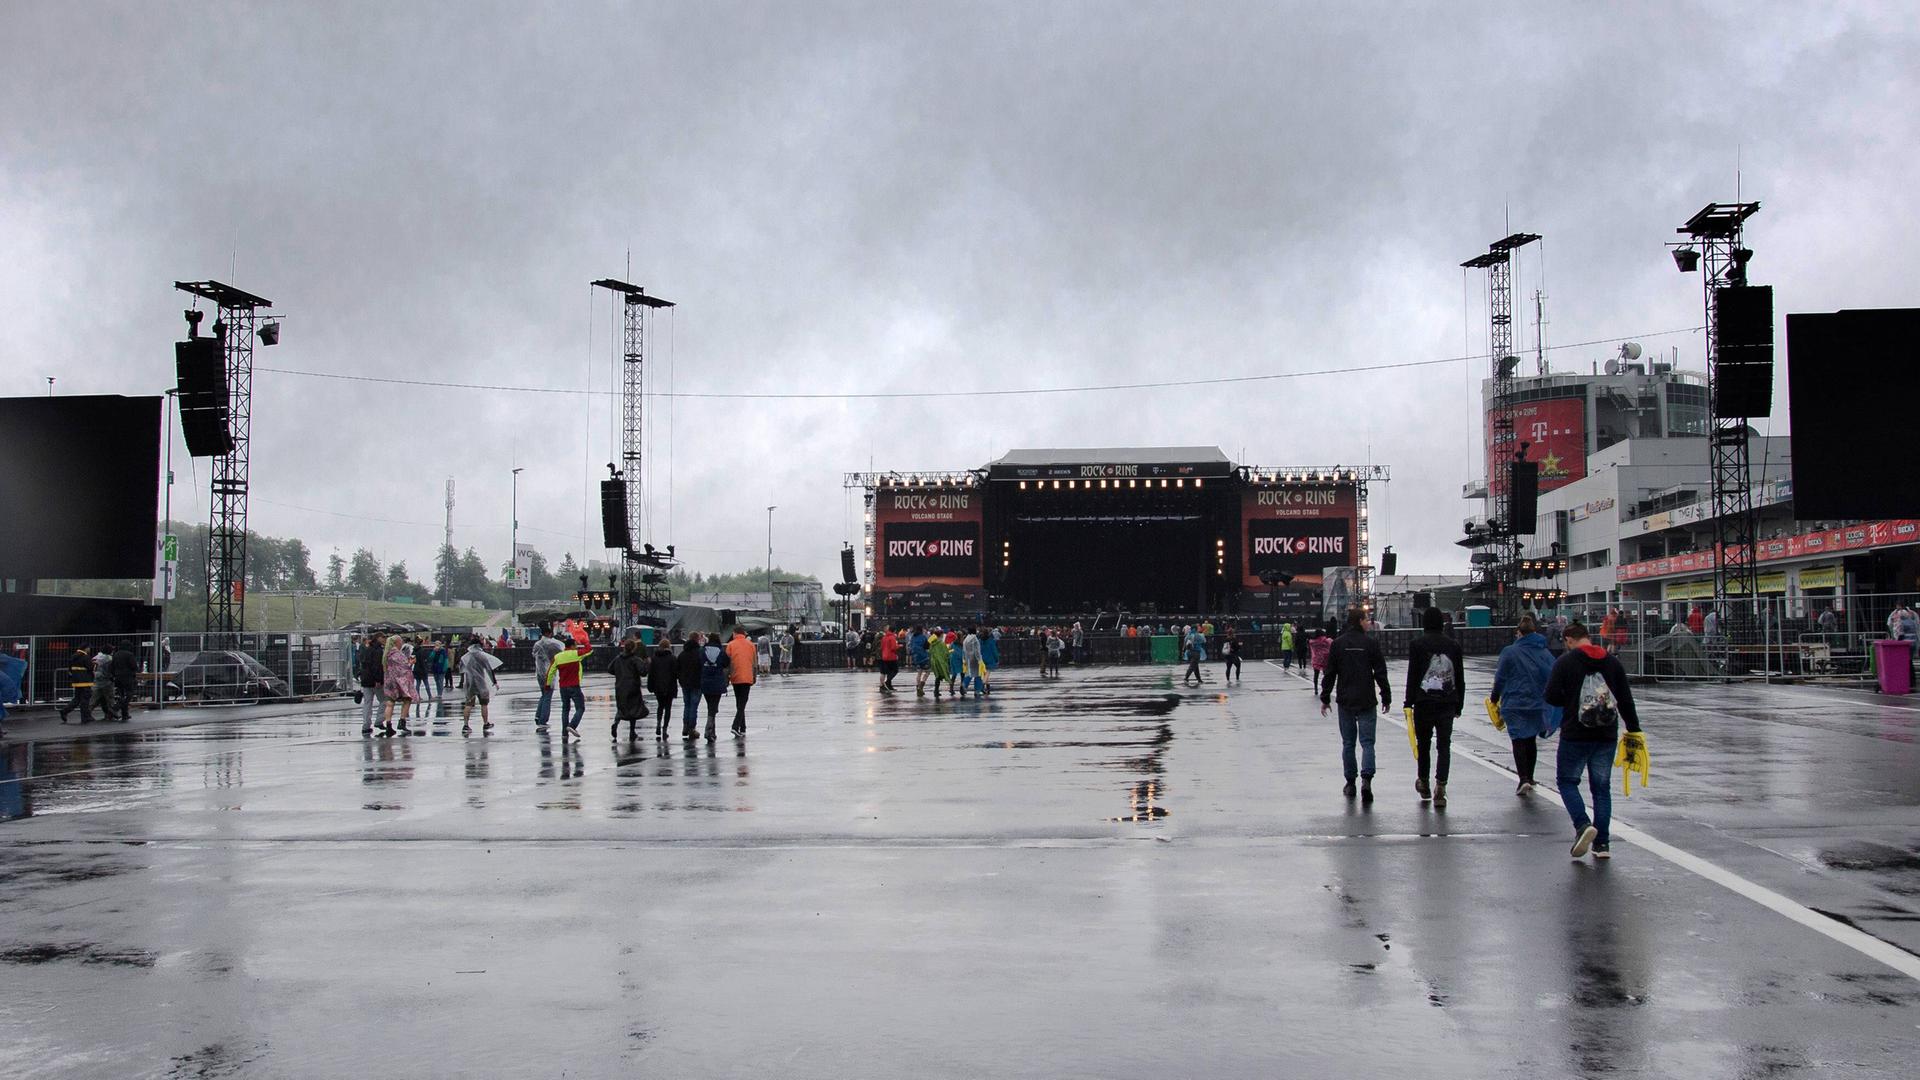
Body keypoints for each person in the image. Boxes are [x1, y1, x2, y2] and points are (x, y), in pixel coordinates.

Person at [1543, 621, 1642, 860]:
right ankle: (1602, 844)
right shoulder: (1611, 662)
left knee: (1567, 781)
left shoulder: (1564, 663)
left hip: (1575, 734)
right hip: (1606, 734)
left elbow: (1552, 696)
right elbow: (1625, 700)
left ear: (1568, 640)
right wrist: (1634, 730)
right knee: (1601, 788)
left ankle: (1582, 824)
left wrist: (1570, 700)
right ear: (1589, 636)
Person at [1319, 609, 1390, 802]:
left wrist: (1325, 697)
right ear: (1359, 621)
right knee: (1368, 742)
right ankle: (1367, 780)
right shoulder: (1371, 643)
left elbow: (1330, 672)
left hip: (1345, 699)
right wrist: (1386, 696)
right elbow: (1380, 672)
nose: (1368, 622)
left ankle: (1350, 783)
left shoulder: (1338, 644)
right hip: (1366, 698)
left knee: (1348, 743)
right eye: (1366, 619)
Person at [1489, 615, 1560, 795]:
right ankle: (1530, 775)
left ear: (1519, 633)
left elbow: (1500, 677)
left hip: (1514, 702)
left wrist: (1494, 697)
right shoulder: (1543, 652)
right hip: (1537, 702)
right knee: (1530, 739)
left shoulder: (1509, 652)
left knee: (1518, 739)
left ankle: (1523, 779)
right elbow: (1553, 675)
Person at [1404, 607, 1465, 806]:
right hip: (1448, 700)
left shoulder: (1417, 644)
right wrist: (1459, 704)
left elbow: (1413, 675)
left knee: (1424, 744)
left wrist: (1408, 702)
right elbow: (1459, 676)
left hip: (1424, 701)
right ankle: (1441, 784)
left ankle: (1424, 780)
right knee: (1444, 745)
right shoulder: (1453, 645)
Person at [547, 634, 593, 740]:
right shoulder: (576, 654)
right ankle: (572, 726)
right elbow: (589, 650)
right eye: (576, 645)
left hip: (563, 687)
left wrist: (548, 684)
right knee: (580, 708)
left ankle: (564, 733)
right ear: (572, 646)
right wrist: (585, 641)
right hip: (574, 686)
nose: (577, 647)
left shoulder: (557, 657)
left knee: (565, 709)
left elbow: (550, 671)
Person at [606, 638, 648, 740]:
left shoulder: (618, 658)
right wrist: (647, 663)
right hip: (633, 687)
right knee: (633, 710)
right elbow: (643, 672)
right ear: (633, 648)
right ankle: (632, 732)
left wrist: (618, 673)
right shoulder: (635, 659)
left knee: (621, 707)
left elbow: (610, 669)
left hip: (620, 687)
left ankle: (616, 722)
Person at [378, 636, 415, 736]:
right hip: (399, 681)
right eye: (401, 641)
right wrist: (411, 662)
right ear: (397, 642)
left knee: (390, 703)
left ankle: (388, 725)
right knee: (407, 699)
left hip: (389, 680)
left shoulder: (386, 654)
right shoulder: (398, 654)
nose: (402, 643)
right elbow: (405, 667)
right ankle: (402, 721)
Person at [458, 640, 498, 734]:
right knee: (484, 703)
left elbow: (461, 670)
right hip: (481, 682)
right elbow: (489, 669)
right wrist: (494, 682)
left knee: (468, 704)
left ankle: (466, 725)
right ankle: (485, 723)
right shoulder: (482, 656)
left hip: (470, 683)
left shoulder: (465, 657)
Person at [726, 628, 756, 737]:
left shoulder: (730, 645)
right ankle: (736, 726)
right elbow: (754, 662)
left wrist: (727, 677)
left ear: (735, 633)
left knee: (739, 703)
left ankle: (742, 727)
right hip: (747, 676)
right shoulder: (751, 645)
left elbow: (727, 662)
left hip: (735, 676)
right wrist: (754, 676)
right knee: (742, 703)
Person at [530, 627, 563, 728]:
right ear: (549, 633)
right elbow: (561, 650)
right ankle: (543, 720)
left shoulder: (537, 644)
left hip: (539, 673)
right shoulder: (552, 644)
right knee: (548, 696)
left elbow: (533, 654)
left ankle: (538, 716)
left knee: (544, 695)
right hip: (548, 672)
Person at [677, 631, 707, 740]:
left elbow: (678, 668)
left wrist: (680, 679)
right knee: (694, 706)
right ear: (697, 639)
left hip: (685, 683)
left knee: (687, 705)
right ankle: (691, 728)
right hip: (696, 682)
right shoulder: (700, 653)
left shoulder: (682, 654)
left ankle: (685, 726)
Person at [647, 642, 679, 738]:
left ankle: (658, 723)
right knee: (668, 708)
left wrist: (650, 686)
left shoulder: (655, 658)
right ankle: (664, 729)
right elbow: (676, 673)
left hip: (658, 686)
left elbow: (651, 674)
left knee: (660, 706)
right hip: (670, 686)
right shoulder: (672, 658)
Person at [356, 632, 385, 734]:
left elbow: (362, 663)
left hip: (365, 679)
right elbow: (377, 666)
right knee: (384, 700)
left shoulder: (365, 649)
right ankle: (379, 720)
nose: (384, 639)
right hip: (374, 680)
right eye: (383, 637)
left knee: (367, 703)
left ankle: (366, 725)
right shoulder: (378, 650)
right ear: (378, 638)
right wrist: (378, 679)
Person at [60, 643, 96, 723]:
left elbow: (70, 668)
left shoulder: (73, 656)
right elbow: (90, 668)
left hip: (76, 681)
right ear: (85, 648)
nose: (89, 650)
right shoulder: (85, 657)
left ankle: (65, 711)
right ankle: (85, 717)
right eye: (89, 648)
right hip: (85, 681)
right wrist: (94, 664)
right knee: (85, 699)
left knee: (77, 699)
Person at [109, 641, 137, 721]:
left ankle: (125, 714)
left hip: (118, 677)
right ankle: (115, 708)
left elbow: (111, 667)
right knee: (129, 694)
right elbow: (134, 666)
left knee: (121, 695)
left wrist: (113, 675)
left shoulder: (116, 654)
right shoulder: (129, 654)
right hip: (128, 677)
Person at [1308, 623, 1334, 695]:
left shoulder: (1312, 642)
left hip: (1316, 659)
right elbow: (1332, 643)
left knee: (1316, 675)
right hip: (1325, 659)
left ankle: (1316, 688)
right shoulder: (1327, 641)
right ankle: (1324, 687)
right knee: (1326, 675)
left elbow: (1310, 642)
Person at [927, 629, 953, 700]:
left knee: (937, 676)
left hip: (934, 661)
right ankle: (950, 689)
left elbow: (930, 652)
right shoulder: (941, 643)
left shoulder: (932, 643)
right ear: (941, 635)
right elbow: (946, 653)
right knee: (944, 674)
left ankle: (936, 690)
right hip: (940, 662)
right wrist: (951, 651)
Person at [877, 626, 901, 694]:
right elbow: (893, 648)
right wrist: (899, 646)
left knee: (888, 671)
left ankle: (889, 686)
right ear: (894, 631)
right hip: (891, 656)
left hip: (884, 656)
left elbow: (881, 647)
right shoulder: (892, 637)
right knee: (895, 670)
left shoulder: (884, 637)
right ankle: (887, 682)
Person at [910, 625, 932, 695]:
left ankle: (917, 687)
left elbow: (911, 646)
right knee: (927, 672)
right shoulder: (923, 637)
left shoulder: (913, 637)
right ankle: (921, 687)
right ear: (921, 630)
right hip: (923, 657)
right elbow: (926, 646)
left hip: (916, 657)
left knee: (919, 672)